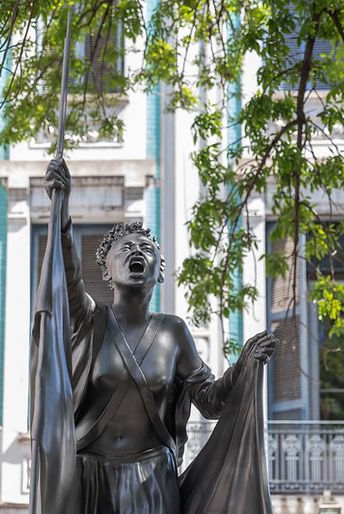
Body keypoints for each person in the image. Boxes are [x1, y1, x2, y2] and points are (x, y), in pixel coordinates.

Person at [44, 158, 276, 514]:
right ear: (106, 270)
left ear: (160, 272)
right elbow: (66, 273)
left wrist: (243, 365)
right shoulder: (89, 321)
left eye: (146, 250)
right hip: (90, 477)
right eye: (126, 249)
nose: (137, 251)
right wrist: (60, 214)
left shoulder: (173, 332)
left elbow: (210, 402)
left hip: (152, 480)